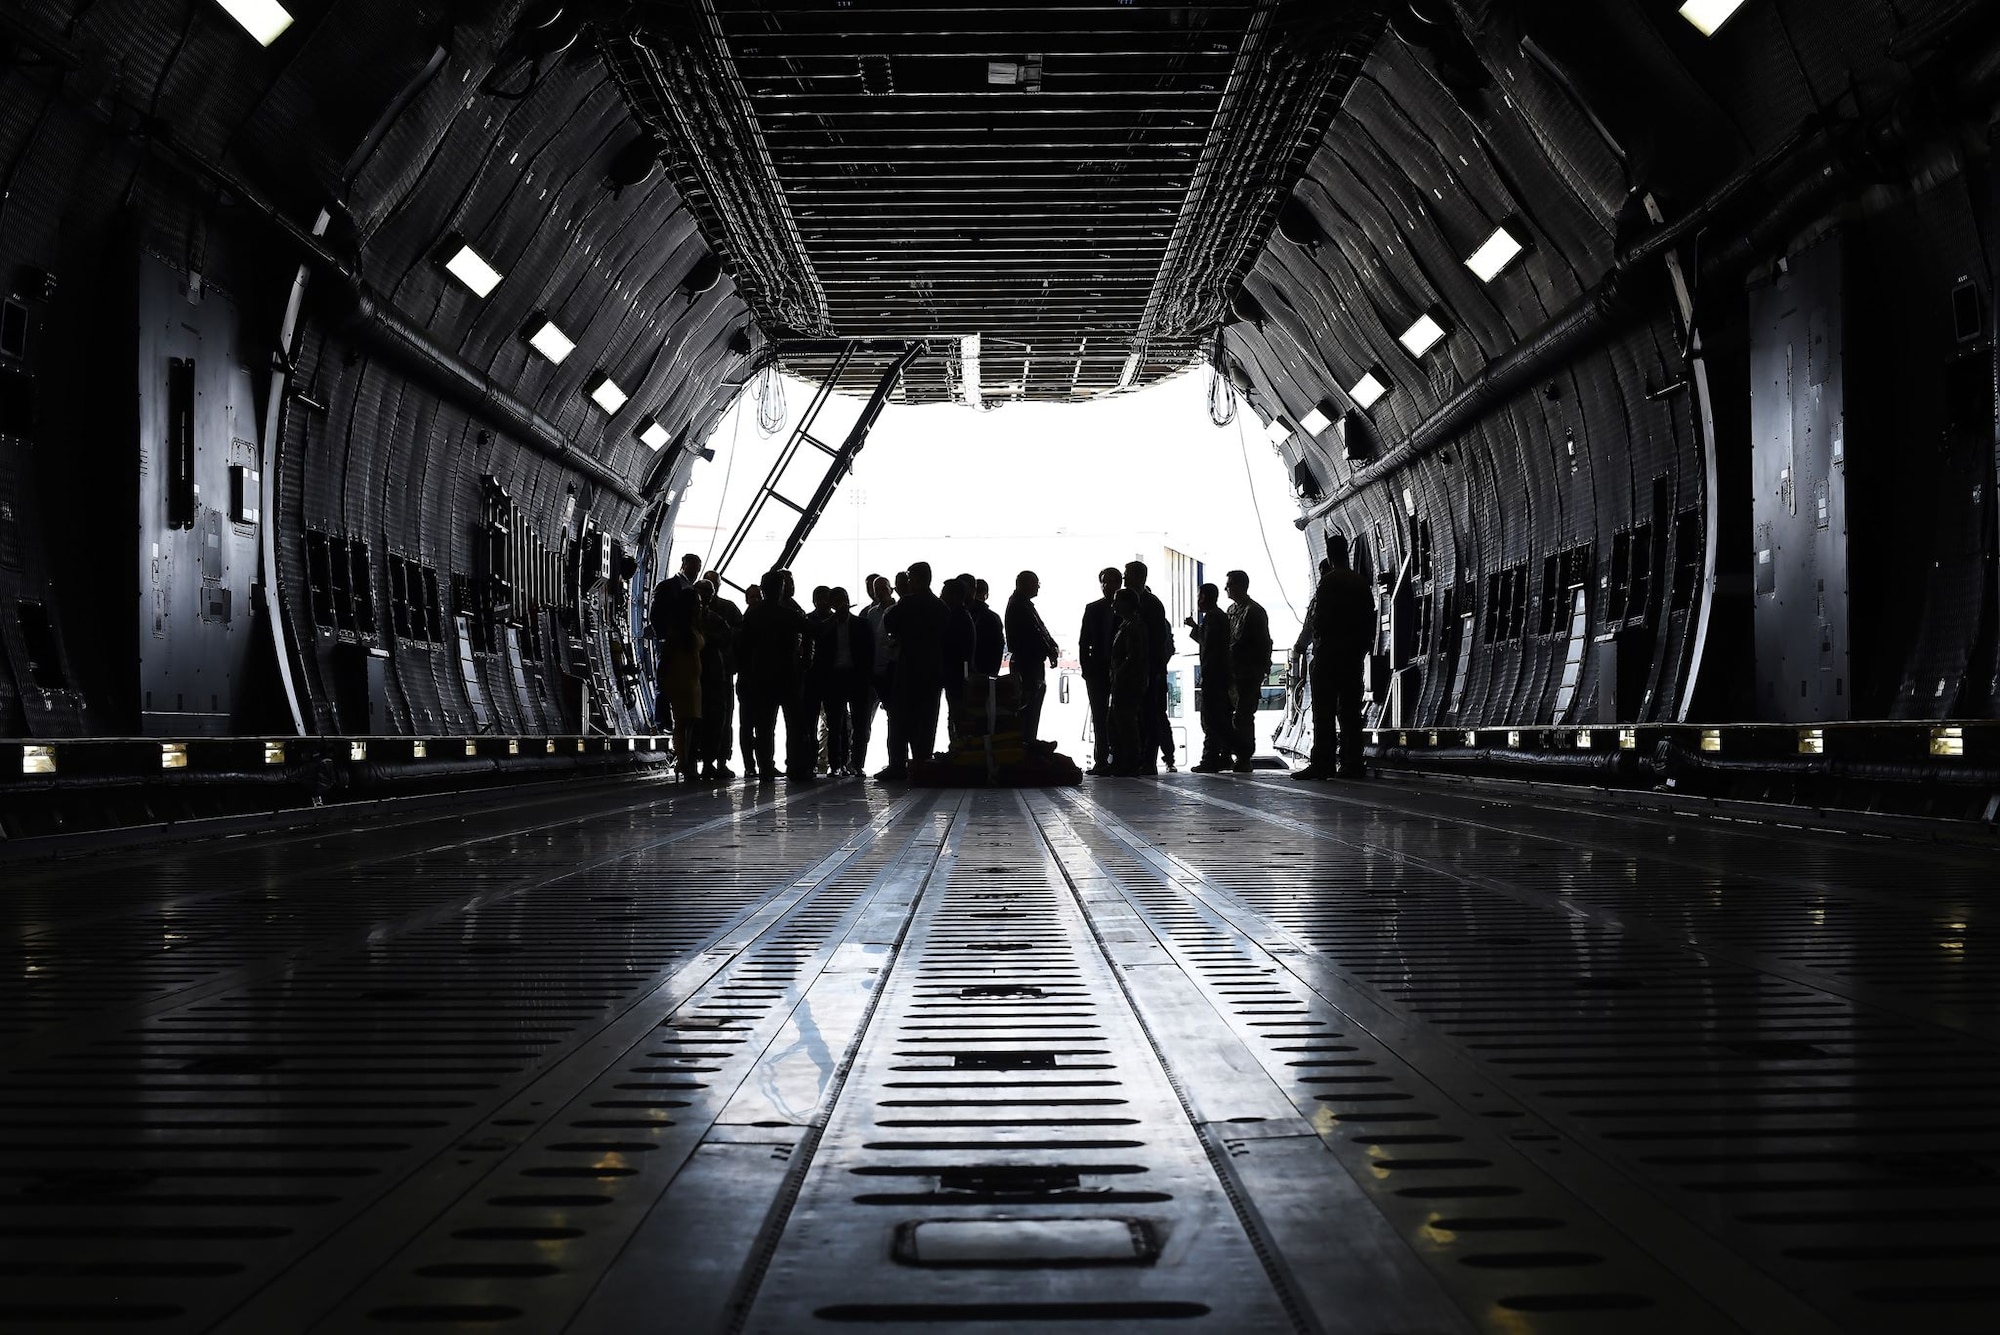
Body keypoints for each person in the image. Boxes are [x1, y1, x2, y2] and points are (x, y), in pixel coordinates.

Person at [1295, 535, 1373, 780]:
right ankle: (1353, 762)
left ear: (1328, 553)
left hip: (1328, 655)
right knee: (1350, 710)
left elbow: (1319, 619)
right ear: (1346, 552)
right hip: (1353, 656)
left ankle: (1323, 763)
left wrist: (1314, 645)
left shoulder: (1328, 582)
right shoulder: (1361, 582)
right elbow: (1369, 619)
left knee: (1324, 711)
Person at [735, 570, 805, 782]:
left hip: (761, 678)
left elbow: (741, 647)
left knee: (764, 727)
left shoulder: (752, 615)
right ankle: (795, 767)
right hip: (788, 676)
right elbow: (813, 630)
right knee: (794, 725)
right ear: (782, 588)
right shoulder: (790, 615)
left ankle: (765, 767)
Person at [879, 561, 946, 779]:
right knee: (926, 720)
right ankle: (922, 763)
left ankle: (897, 765)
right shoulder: (940, 607)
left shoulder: (907, 604)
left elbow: (889, 623)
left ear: (916, 579)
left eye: (909, 579)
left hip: (907, 669)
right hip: (932, 671)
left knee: (899, 720)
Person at [810, 586, 874, 776]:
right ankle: (837, 764)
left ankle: (856, 764)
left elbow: (870, 655)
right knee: (835, 724)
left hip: (856, 678)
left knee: (859, 723)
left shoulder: (862, 624)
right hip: (834, 679)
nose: (840, 606)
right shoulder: (827, 626)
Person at [1124, 559, 1175, 772]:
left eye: (1127, 574)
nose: (1124, 578)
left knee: (1151, 715)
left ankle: (1149, 760)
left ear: (1138, 577)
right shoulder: (1134, 602)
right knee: (1142, 715)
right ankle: (1143, 758)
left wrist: (1154, 670)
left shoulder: (1150, 604)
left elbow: (1157, 642)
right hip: (1139, 671)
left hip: (1149, 671)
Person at [1225, 569, 1273, 773]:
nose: (1226, 588)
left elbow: (1264, 642)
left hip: (1248, 672)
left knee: (1243, 716)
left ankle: (1244, 757)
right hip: (1232, 672)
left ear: (1240, 586)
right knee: (1229, 715)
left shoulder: (1254, 611)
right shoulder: (1231, 610)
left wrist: (1261, 668)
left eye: (1229, 584)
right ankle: (1228, 754)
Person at [656, 581, 705, 781]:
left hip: (691, 680)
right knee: (684, 721)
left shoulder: (687, 627)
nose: (701, 606)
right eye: (698, 603)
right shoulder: (680, 630)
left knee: (686, 722)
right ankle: (684, 762)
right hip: (682, 679)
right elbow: (667, 656)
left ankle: (684, 761)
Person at [1005, 570, 1060, 743]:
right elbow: (1034, 634)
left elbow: (1039, 630)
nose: (1038, 586)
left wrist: (1051, 646)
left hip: (1030, 664)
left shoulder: (1023, 605)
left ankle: (1027, 743)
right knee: (1028, 709)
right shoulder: (1019, 606)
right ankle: (1026, 744)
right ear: (1024, 584)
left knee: (1031, 708)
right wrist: (1049, 648)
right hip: (1027, 665)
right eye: (1035, 582)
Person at [1185, 582, 1233, 772]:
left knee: (1211, 719)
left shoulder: (1213, 618)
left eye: (1199, 596)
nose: (1198, 600)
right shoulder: (1218, 617)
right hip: (1219, 677)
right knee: (1221, 718)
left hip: (1213, 677)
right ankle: (1225, 756)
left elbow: (1209, 647)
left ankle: (1210, 758)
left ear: (1204, 597)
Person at [1078, 566, 1121, 774]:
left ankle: (1119, 758)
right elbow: (1083, 641)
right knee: (1099, 715)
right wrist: (1086, 668)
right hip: (1097, 671)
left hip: (1121, 672)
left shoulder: (1128, 608)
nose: (1108, 585)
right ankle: (1101, 759)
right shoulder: (1093, 609)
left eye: (1113, 581)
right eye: (1105, 581)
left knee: (1120, 716)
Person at [695, 578, 739, 782]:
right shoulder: (718, 614)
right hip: (713, 674)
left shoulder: (697, 617)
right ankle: (711, 762)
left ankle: (709, 762)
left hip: (708, 674)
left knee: (715, 720)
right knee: (716, 719)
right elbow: (732, 635)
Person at [1108, 588, 1148, 775]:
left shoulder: (1133, 627)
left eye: (1117, 600)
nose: (1113, 604)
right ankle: (1122, 760)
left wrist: (1120, 674)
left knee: (1126, 722)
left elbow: (1133, 656)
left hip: (1127, 682)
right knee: (1119, 722)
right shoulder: (1127, 625)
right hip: (1123, 681)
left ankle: (1129, 762)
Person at [861, 573, 895, 772]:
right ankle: (857, 762)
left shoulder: (897, 611)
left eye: (883, 588)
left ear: (890, 589)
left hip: (889, 671)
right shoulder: (870, 613)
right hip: (873, 672)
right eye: (877, 590)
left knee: (894, 719)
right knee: (865, 719)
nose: (880, 593)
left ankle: (894, 760)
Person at [939, 574, 977, 743]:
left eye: (944, 593)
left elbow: (950, 648)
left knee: (958, 718)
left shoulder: (956, 618)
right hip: (960, 676)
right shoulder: (962, 616)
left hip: (956, 677)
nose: (941, 597)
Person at [738, 581, 763, 778]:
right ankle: (759, 763)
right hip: (755, 680)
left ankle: (751, 765)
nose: (755, 600)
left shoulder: (743, 622)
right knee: (756, 725)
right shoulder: (761, 622)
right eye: (753, 597)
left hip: (747, 679)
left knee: (748, 725)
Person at [969, 578, 1005, 678]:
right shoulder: (993, 618)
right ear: (986, 595)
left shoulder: (964, 615)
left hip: (965, 672)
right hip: (987, 672)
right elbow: (998, 647)